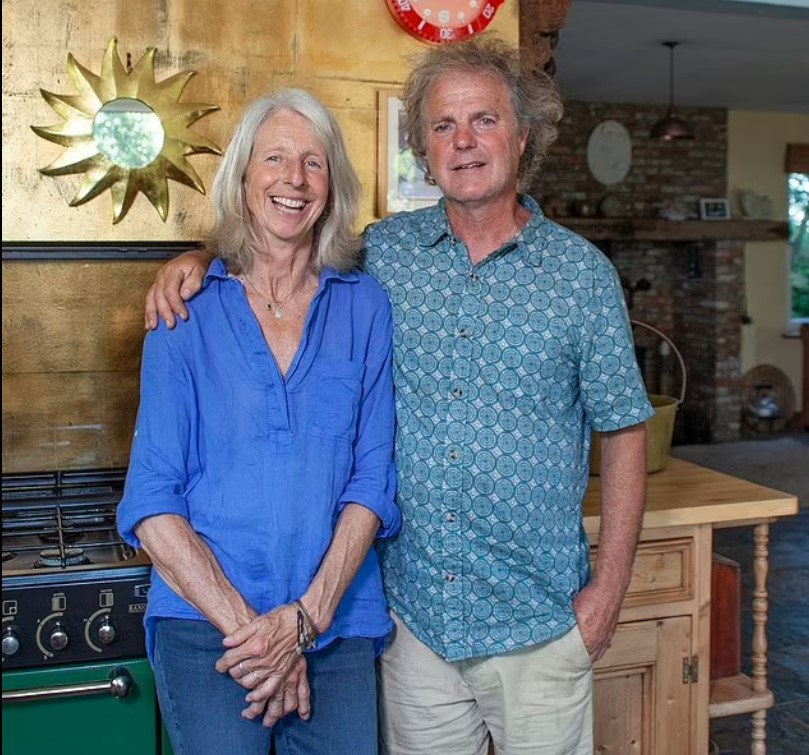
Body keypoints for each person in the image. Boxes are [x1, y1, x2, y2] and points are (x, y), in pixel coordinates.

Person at [143, 36, 653, 755]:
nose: (464, 141)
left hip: (538, 623)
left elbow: (623, 428)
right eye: (442, 126)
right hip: (416, 629)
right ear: (420, 146)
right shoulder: (382, 255)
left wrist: (607, 591)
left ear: (523, 137)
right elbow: (281, 238)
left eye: (483, 120)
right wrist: (195, 259)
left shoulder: (581, 276)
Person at [118, 88, 400, 755]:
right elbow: (153, 500)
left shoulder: (364, 305)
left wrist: (303, 622)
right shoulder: (184, 311)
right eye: (274, 158)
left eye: (313, 162)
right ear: (243, 178)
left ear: (333, 185)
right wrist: (259, 636)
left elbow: (372, 481)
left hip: (335, 621)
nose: (293, 179)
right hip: (207, 627)